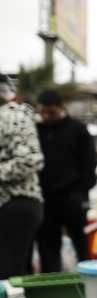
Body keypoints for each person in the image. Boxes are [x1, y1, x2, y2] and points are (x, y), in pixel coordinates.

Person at [34, 89, 97, 273]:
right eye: (42, 112)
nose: (46, 116)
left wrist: (81, 191)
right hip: (45, 199)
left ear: (62, 109)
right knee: (47, 248)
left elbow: (89, 162)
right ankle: (51, 286)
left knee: (82, 245)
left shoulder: (77, 130)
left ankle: (87, 281)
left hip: (72, 197)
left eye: (51, 112)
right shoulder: (36, 131)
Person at [0, 73, 45, 280]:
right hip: (12, 205)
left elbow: (32, 159)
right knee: (14, 273)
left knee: (9, 273)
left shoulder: (14, 116)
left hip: (16, 204)